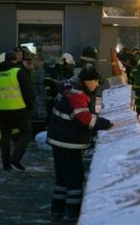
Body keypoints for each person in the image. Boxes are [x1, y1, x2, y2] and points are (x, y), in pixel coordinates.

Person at [47, 65, 113, 222]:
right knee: (75, 180)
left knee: (62, 179)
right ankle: (73, 214)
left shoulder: (69, 88)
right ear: (88, 81)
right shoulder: (77, 95)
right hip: (68, 142)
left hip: (58, 139)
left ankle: (57, 211)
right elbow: (84, 118)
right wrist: (105, 123)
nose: (97, 85)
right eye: (96, 81)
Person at [0, 51, 34, 170]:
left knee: (5, 136)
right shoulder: (18, 72)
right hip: (19, 109)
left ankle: (6, 164)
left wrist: (1, 104)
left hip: (3, 110)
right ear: (15, 60)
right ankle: (15, 158)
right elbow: (27, 92)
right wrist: (30, 107)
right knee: (26, 132)